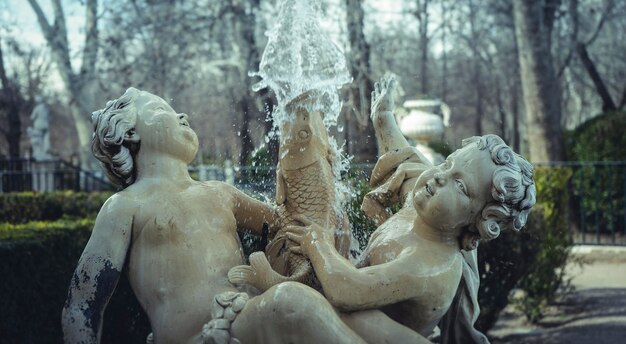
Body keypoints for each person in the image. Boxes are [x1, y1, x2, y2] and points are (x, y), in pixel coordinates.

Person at [61, 88, 428, 344]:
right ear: (129, 134)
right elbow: (83, 303)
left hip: (247, 315)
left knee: (352, 313)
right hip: (203, 336)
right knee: (291, 303)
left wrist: (325, 210)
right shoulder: (126, 206)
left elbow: (286, 221)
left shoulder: (220, 192)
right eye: (162, 111)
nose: (182, 115)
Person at [282, 76, 537, 342]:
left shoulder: (430, 265)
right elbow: (402, 154)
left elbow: (348, 291)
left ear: (478, 220)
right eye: (448, 164)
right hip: (358, 316)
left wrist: (318, 243)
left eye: (460, 185)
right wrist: (384, 118)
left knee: (300, 306)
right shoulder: (423, 208)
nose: (439, 176)